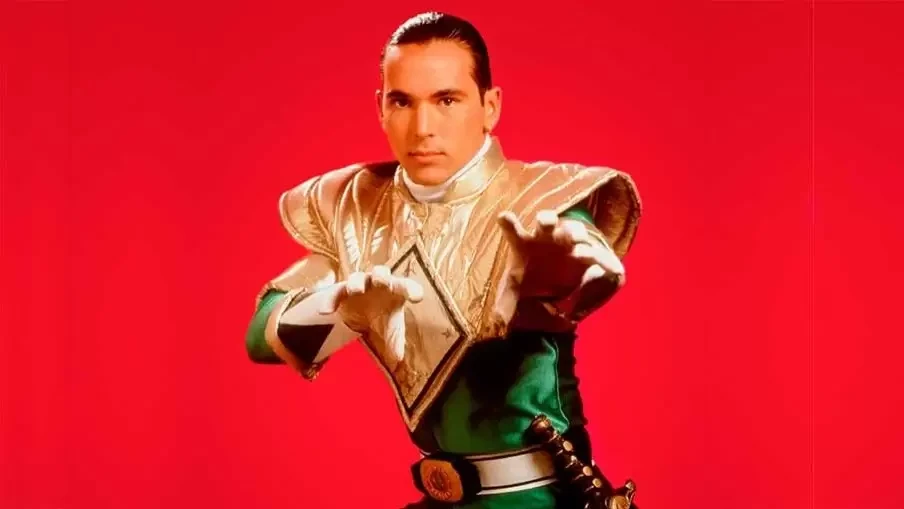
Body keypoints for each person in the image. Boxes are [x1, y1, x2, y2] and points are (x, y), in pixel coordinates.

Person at [244, 11, 642, 509]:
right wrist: (340, 313)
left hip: (541, 497)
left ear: (490, 106)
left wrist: (564, 280)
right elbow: (260, 335)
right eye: (402, 102)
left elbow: (582, 262)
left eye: (446, 100)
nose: (423, 127)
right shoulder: (357, 207)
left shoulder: (541, 199)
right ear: (380, 108)